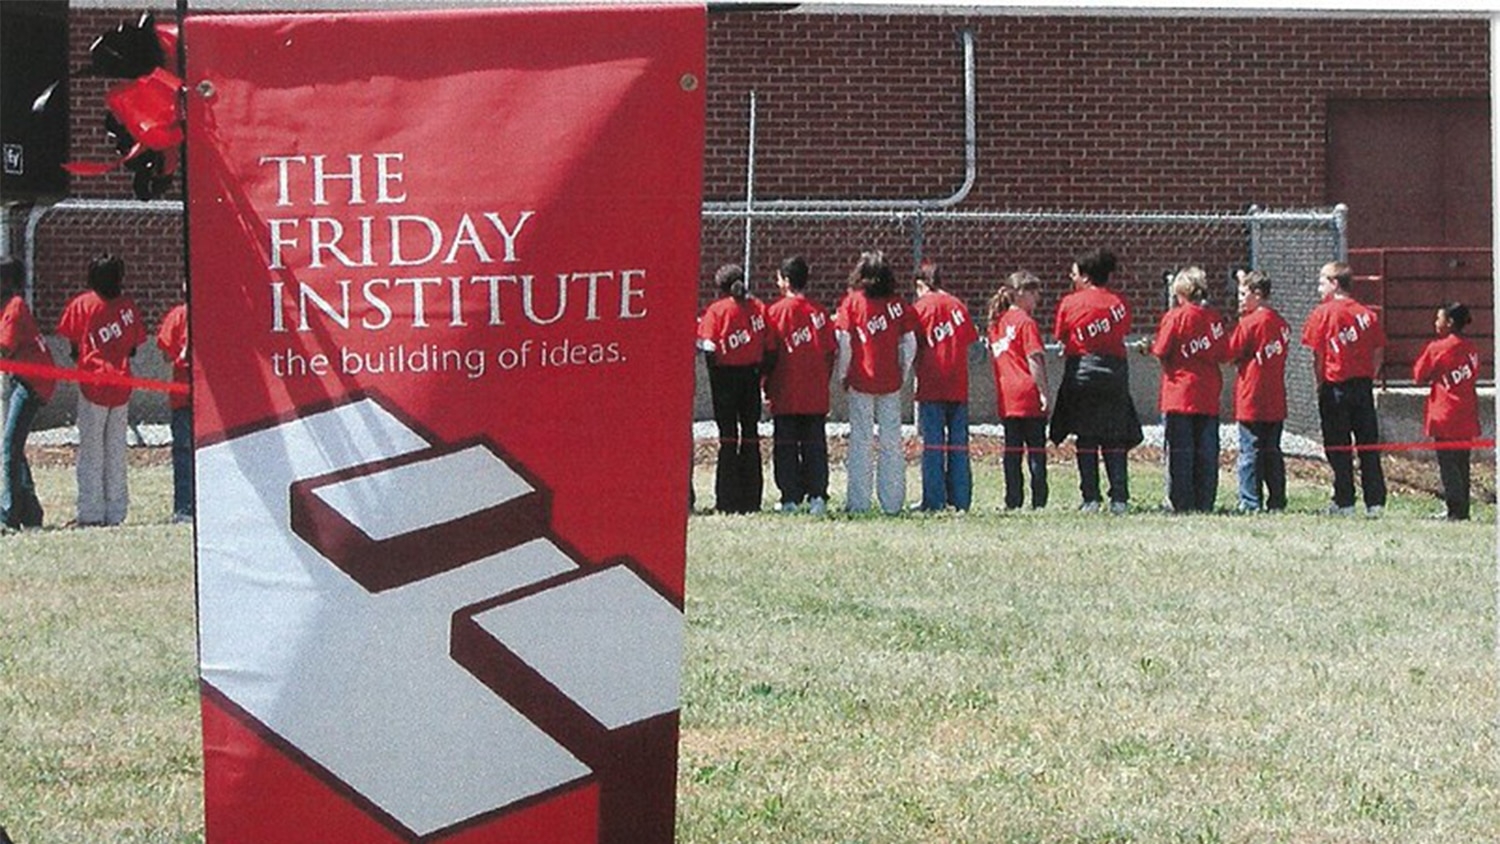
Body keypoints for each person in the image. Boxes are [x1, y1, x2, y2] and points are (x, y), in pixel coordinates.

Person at [1048, 248, 1142, 514]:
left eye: (1074, 273)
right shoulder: (1118, 303)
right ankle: (1120, 498)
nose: (1071, 276)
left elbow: (1061, 337)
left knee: (1086, 438)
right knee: (1114, 438)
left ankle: (1091, 498)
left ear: (1086, 277)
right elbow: (1122, 331)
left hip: (1082, 371)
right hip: (1114, 373)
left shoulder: (1070, 302)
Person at [56, 253, 147, 527]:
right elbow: (133, 346)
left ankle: (91, 513)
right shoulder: (128, 307)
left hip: (93, 385)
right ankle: (116, 512)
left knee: (92, 451)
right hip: (121, 385)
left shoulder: (82, 304)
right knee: (116, 450)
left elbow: (72, 344)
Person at [1300, 260, 1387, 517]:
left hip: (1335, 386)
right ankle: (1375, 502)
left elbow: (1318, 355)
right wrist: (1370, 375)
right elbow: (1379, 349)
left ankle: (1344, 500)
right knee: (1367, 445)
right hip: (1362, 387)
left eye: (1322, 281)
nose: (1319, 287)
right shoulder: (1367, 314)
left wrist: (1320, 383)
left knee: (1338, 446)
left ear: (1335, 283)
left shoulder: (1323, 313)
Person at [835, 250, 917, 514]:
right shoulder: (897, 304)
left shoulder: (852, 303)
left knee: (860, 442)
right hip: (890, 381)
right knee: (892, 443)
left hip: (860, 379)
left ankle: (858, 504)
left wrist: (843, 373)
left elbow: (845, 341)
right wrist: (902, 373)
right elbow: (910, 342)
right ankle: (892, 503)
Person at [1147, 267, 1229, 513]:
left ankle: (1180, 502)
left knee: (1180, 452)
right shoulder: (1214, 318)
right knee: (1206, 451)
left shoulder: (1175, 317)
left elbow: (1161, 351)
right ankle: (1205, 501)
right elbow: (1224, 352)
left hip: (1179, 394)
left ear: (1180, 292)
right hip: (1208, 393)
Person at [763, 256, 835, 515]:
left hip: (786, 390)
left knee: (785, 446)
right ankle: (817, 495)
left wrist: (766, 386)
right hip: (814, 391)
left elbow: (768, 352)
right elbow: (830, 351)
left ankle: (790, 498)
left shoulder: (774, 312)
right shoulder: (820, 312)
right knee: (815, 445)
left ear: (785, 280)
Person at [696, 263, 768, 514]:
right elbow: (768, 346)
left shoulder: (715, 311)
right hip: (751, 376)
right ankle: (752, 499)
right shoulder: (758, 309)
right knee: (750, 434)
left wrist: (715, 380)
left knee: (727, 438)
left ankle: (727, 500)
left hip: (725, 378)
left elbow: (709, 349)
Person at [911, 260, 979, 511]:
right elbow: (970, 341)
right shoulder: (957, 305)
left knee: (934, 445)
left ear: (921, 284)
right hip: (958, 383)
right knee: (959, 444)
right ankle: (961, 500)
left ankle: (934, 500)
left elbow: (912, 346)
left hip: (931, 383)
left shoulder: (920, 308)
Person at [0, 257, 57, 530]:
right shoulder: (9, 306)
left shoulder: (15, 307)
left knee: (8, 446)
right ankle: (31, 514)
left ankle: (8, 515)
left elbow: (4, 349)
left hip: (33, 381)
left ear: (6, 282)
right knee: (14, 446)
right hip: (26, 378)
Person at [1227, 270, 1291, 512]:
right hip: (1275, 397)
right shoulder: (1280, 323)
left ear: (1257, 294)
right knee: (1272, 451)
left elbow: (1231, 353)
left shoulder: (1250, 323)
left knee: (1250, 452)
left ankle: (1250, 501)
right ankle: (1277, 500)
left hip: (1252, 396)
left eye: (1244, 294)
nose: (1240, 300)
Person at [1412, 302, 1482, 521]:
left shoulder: (1437, 348)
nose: (1436, 323)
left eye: (1438, 318)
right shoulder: (1471, 347)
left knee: (1448, 464)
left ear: (1449, 322)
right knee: (1462, 463)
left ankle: (1454, 510)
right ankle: (1463, 509)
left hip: (1445, 413)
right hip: (1467, 412)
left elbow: (1418, 375)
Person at [987, 271, 1050, 510]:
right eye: (1033, 293)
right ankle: (1039, 501)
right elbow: (1034, 359)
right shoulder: (1025, 322)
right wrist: (1044, 391)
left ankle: (1013, 500)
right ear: (1020, 293)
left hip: (1007, 395)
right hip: (1027, 393)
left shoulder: (996, 324)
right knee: (1036, 451)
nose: (1038, 298)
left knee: (1011, 452)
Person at [157, 298, 192, 523]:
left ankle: (185, 509)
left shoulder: (180, 314)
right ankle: (185, 508)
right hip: (190, 397)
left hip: (190, 398)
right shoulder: (180, 315)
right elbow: (167, 352)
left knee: (185, 453)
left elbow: (165, 354)